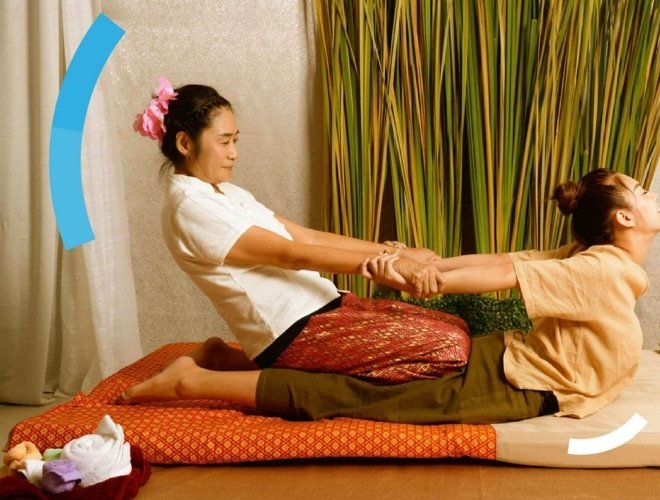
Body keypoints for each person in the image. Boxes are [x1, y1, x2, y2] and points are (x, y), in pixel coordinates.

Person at [118, 166, 660, 425]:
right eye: (642, 193)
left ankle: (221, 359)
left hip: (511, 361)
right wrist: (422, 271)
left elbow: (505, 266)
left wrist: (419, 267)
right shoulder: (602, 268)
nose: (653, 197)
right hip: (526, 380)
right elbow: (504, 271)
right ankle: (195, 380)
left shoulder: (597, 263)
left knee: (412, 354)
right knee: (361, 397)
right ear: (622, 218)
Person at [129, 78, 470, 385]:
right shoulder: (190, 207)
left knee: (456, 327)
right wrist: (394, 266)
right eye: (224, 142)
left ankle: (223, 358)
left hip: (325, 305)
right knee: (450, 348)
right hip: (294, 334)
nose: (234, 153)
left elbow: (306, 237)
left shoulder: (224, 191)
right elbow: (291, 255)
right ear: (185, 143)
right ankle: (238, 370)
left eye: (235, 140)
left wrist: (397, 253)